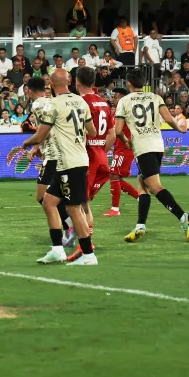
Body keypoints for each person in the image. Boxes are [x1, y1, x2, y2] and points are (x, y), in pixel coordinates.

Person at [22, 68, 97, 265]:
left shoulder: (53, 105)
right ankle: (57, 249)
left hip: (68, 161)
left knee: (73, 208)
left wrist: (27, 143)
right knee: (48, 202)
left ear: (51, 84)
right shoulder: (80, 101)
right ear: (69, 81)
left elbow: (40, 135)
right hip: (77, 158)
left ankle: (88, 255)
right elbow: (92, 131)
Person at [114, 70, 189, 243]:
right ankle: (140, 225)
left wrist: (126, 141)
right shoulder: (155, 97)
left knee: (154, 186)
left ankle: (183, 216)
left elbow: (117, 130)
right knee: (142, 183)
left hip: (142, 147)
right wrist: (179, 129)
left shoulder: (124, 101)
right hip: (157, 145)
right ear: (144, 83)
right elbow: (169, 118)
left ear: (128, 84)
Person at [22, 77, 75, 249]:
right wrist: (38, 147)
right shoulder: (52, 101)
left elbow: (44, 130)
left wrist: (32, 145)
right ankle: (70, 227)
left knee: (43, 197)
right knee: (58, 196)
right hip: (62, 154)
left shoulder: (37, 105)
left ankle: (69, 225)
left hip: (53, 156)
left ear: (29, 90)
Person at [76, 67, 117, 257]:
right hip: (101, 157)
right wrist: (101, 150)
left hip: (87, 158)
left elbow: (82, 132)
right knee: (82, 203)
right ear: (93, 82)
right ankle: (81, 239)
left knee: (80, 205)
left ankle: (85, 245)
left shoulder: (81, 103)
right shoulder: (104, 104)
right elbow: (112, 134)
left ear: (77, 82)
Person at [104, 88, 141, 217]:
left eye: (116, 97)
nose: (113, 99)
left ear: (123, 98)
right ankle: (140, 197)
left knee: (114, 175)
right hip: (119, 148)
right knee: (116, 177)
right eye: (113, 97)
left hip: (124, 149)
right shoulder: (117, 112)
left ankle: (115, 209)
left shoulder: (127, 112)